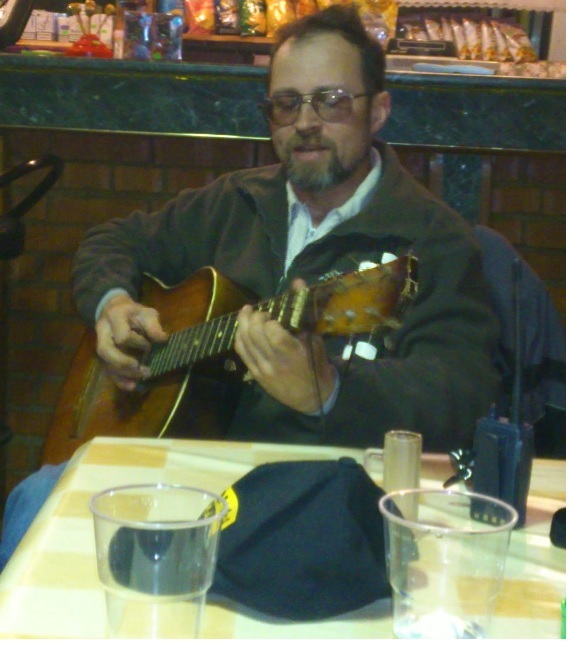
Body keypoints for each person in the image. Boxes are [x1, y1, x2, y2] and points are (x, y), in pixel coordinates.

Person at [0, 4, 499, 571]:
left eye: (332, 100)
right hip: (188, 471)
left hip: (322, 500)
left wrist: (331, 390)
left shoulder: (432, 239)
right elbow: (112, 241)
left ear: (378, 110)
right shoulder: (234, 201)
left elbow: (461, 392)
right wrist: (111, 303)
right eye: (287, 104)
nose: (305, 121)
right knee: (36, 498)